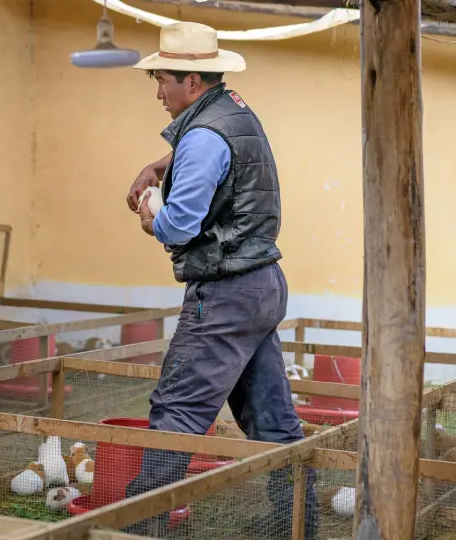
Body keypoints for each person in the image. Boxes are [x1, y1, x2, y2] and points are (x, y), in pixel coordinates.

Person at [123, 22, 319, 538]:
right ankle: (296, 524)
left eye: (162, 79)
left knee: (177, 413)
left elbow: (181, 222)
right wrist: (159, 164)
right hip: (263, 285)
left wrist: (152, 222)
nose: (158, 91)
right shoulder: (234, 110)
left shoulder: (205, 135)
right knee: (273, 420)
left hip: (226, 291)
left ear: (191, 81)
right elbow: (210, 145)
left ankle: (134, 528)